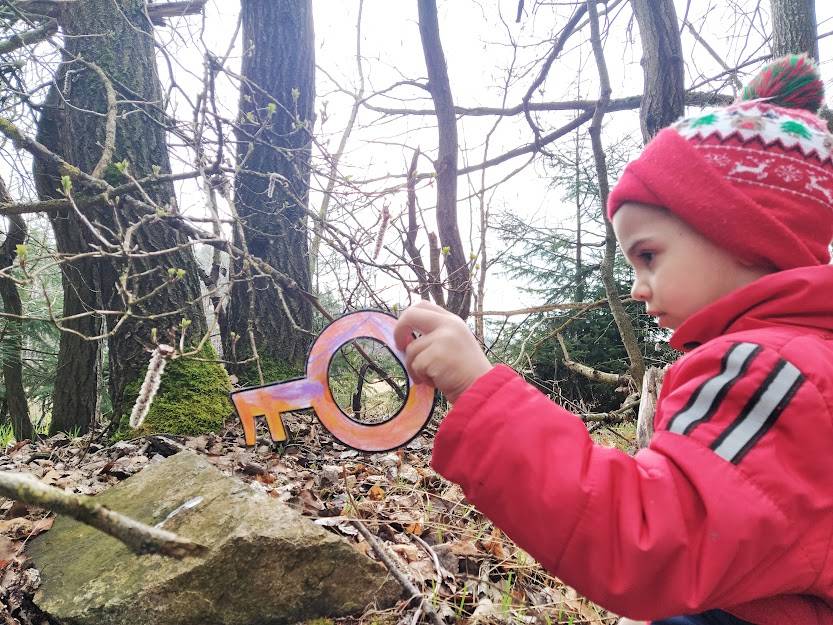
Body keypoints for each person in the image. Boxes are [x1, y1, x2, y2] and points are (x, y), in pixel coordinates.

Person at [393, 55, 833, 625]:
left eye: (648, 256)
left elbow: (647, 541)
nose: (635, 287)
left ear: (743, 233)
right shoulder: (797, 361)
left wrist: (479, 389)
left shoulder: (773, 372)